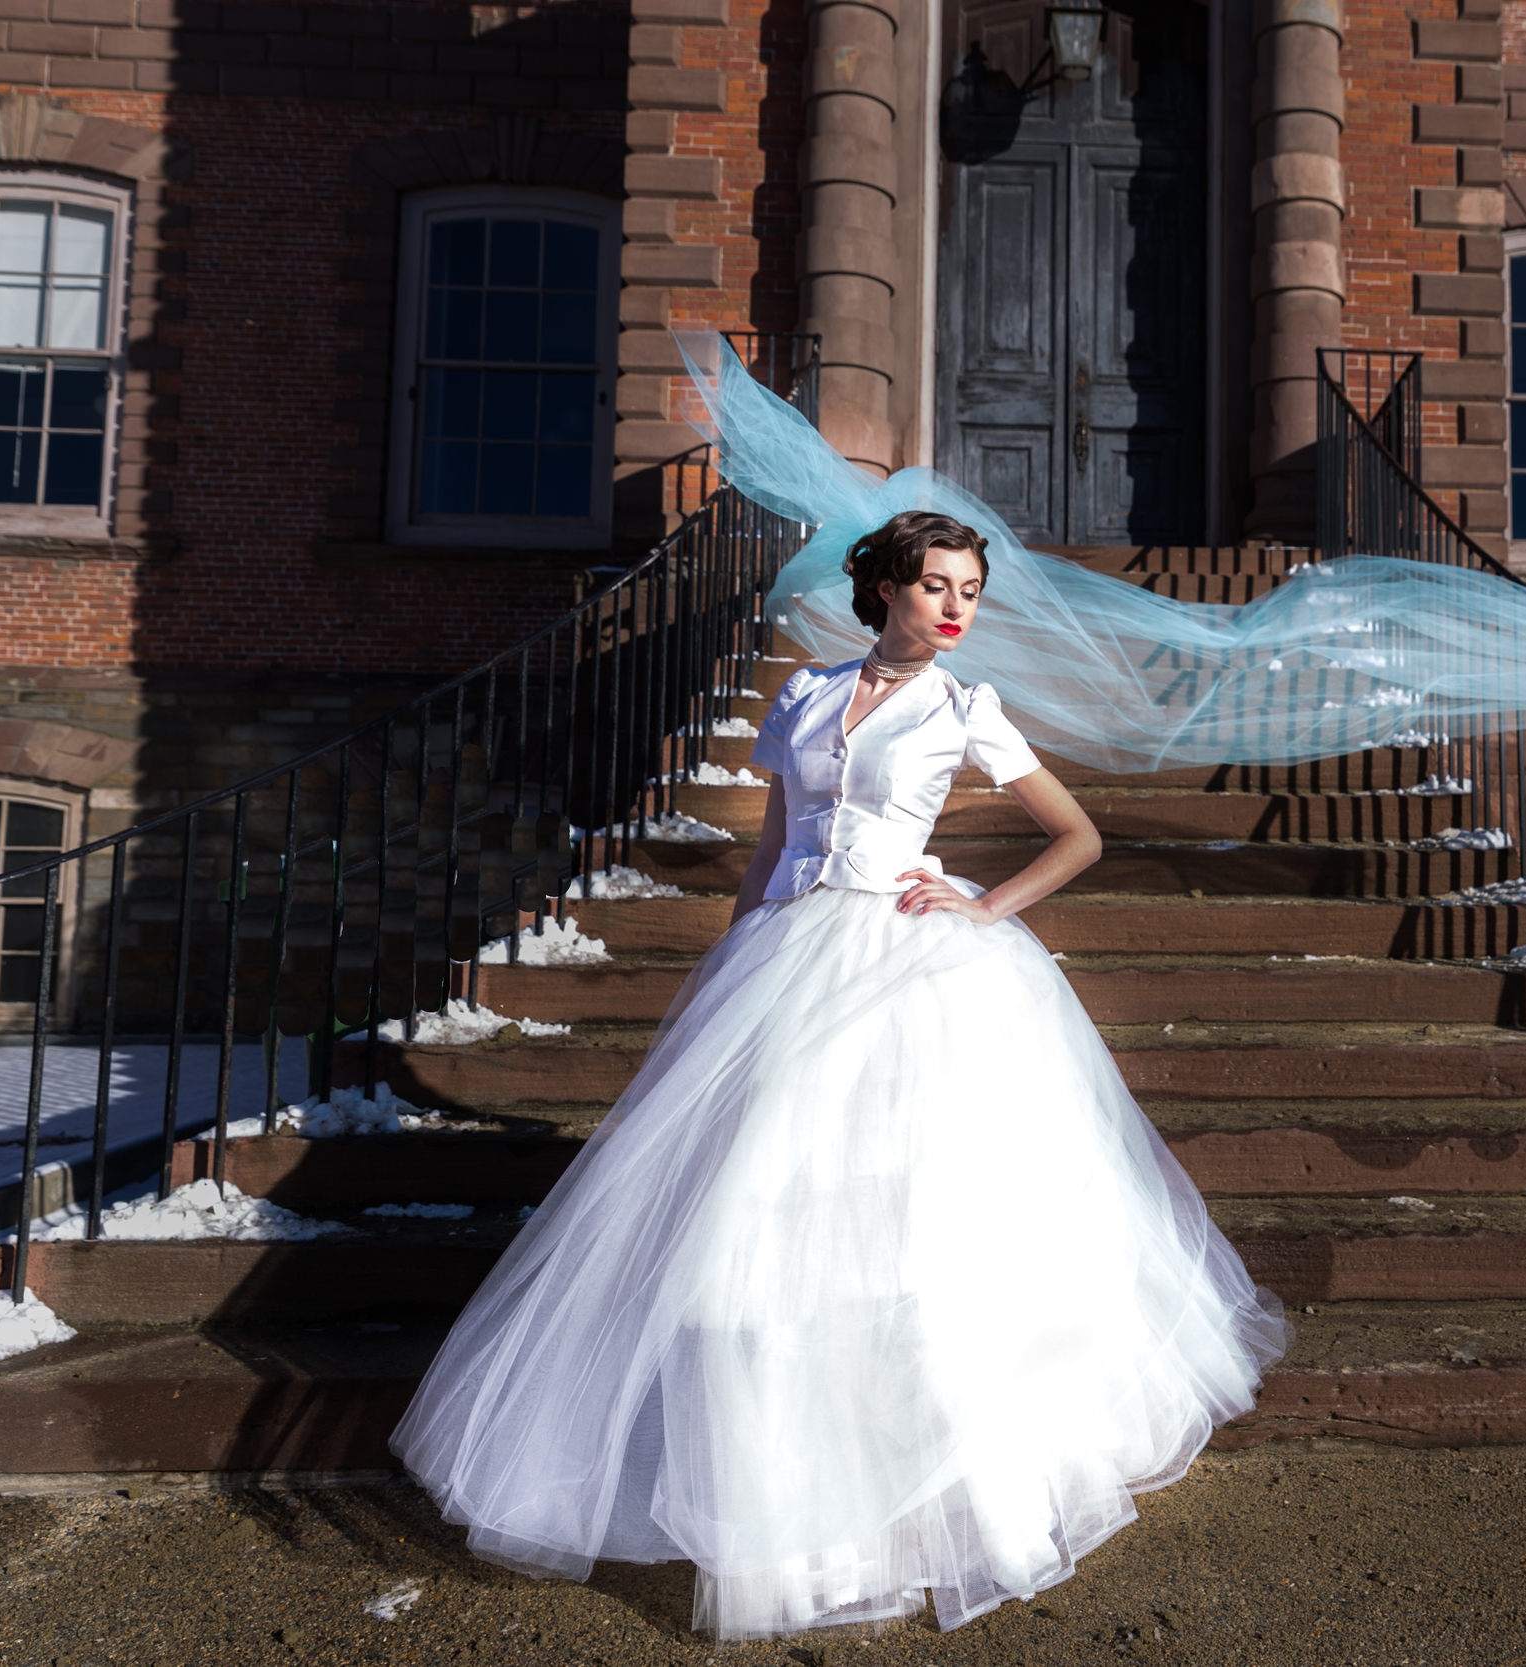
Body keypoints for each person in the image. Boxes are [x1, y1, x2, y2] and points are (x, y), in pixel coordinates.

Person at [391, 507, 1288, 1642]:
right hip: (787, 953)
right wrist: (730, 957)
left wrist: (981, 903)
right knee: (760, 1215)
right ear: (887, 592)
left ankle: (935, 1491)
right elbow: (774, 844)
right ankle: (794, 1497)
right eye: (938, 586)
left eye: (972, 589)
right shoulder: (807, 693)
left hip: (906, 958)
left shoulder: (970, 708)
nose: (959, 607)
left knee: (909, 1217)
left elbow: (1077, 836)